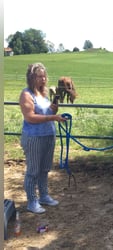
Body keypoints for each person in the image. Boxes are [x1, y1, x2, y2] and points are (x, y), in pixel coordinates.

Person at [19, 63, 67, 214]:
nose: (43, 79)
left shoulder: (43, 94)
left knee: (44, 169)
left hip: (48, 135)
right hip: (34, 137)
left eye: (44, 76)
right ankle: (32, 201)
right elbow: (30, 117)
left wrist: (55, 105)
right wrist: (53, 117)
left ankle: (44, 196)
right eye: (39, 76)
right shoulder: (27, 94)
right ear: (31, 78)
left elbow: (49, 110)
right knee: (33, 170)